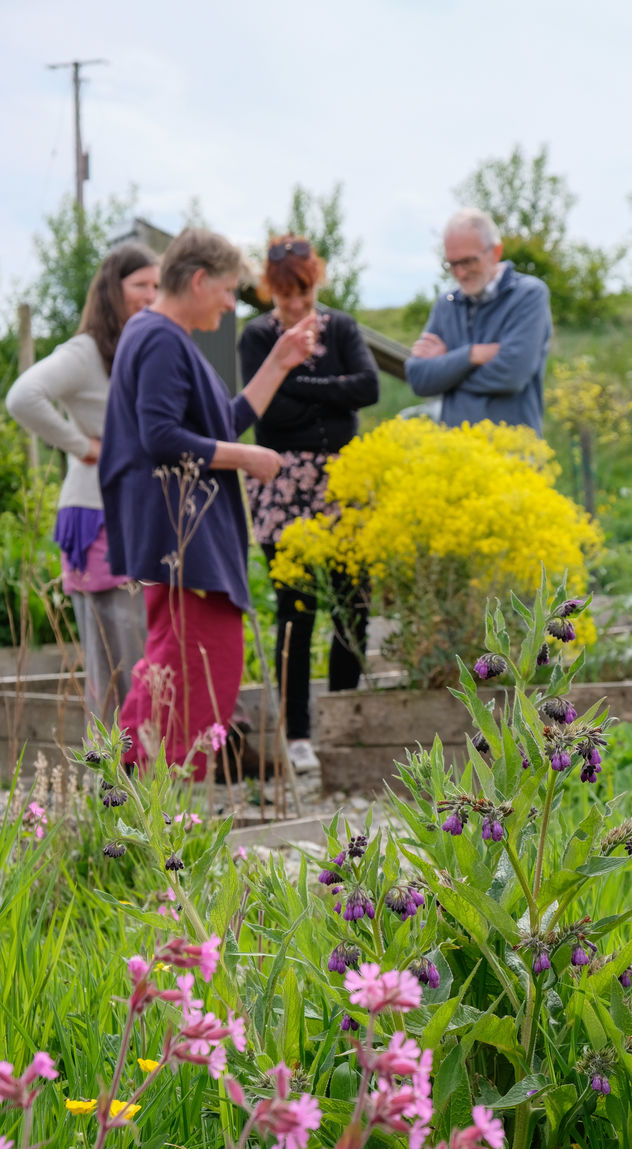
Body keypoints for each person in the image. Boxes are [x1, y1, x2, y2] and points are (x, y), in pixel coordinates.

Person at [98, 228, 317, 780]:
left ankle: (125, 784)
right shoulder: (161, 339)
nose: (230, 301)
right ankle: (167, 791)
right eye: (225, 289)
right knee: (204, 661)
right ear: (198, 280)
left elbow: (225, 420)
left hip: (177, 534)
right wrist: (245, 458)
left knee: (169, 661)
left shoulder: (156, 335)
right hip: (183, 536)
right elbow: (161, 436)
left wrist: (281, 359)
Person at [238, 235, 379, 773]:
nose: (295, 305)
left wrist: (298, 382)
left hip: (343, 481)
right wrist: (328, 389)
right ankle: (297, 734)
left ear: (316, 282)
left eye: (303, 292)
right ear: (270, 291)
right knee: (296, 609)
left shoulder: (340, 327)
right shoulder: (258, 336)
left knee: (354, 602)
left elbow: (367, 389)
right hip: (281, 483)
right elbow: (266, 417)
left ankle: (344, 715)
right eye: (284, 295)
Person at [6, 243, 160, 721]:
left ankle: (146, 782)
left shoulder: (139, 349)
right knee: (114, 661)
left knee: (143, 655)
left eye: (158, 286)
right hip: (96, 516)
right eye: (141, 286)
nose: (152, 297)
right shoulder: (87, 351)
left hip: (135, 514)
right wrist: (83, 446)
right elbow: (22, 396)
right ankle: (114, 785)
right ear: (113, 290)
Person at [404, 208, 552, 434]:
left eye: (468, 262)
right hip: (455, 453)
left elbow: (511, 376)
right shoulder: (447, 303)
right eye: (452, 264)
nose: (460, 273)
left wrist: (447, 366)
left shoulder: (528, 295)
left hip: (513, 455)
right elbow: (419, 379)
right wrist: (472, 355)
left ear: (495, 252)